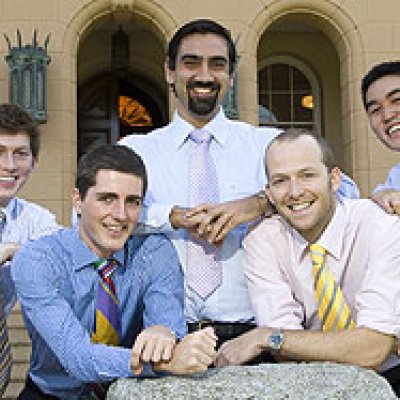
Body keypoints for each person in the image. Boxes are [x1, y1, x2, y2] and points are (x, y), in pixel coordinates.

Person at [120, 19, 358, 352]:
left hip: (259, 337)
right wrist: (170, 217)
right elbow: (88, 219)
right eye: (191, 63)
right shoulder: (135, 151)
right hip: (162, 337)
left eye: (217, 64)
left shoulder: (267, 144)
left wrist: (261, 203)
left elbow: (345, 191)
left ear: (231, 76)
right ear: (170, 72)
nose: (204, 75)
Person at [12, 144, 216, 399]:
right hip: (52, 394)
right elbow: (78, 358)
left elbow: (168, 321)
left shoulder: (153, 252)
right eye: (107, 199)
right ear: (77, 200)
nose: (120, 215)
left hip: (129, 389)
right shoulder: (37, 260)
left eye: (132, 202)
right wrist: (161, 362)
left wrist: (164, 332)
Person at [214, 128, 400, 396]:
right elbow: (285, 355)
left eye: (307, 175)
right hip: (309, 378)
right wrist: (283, 342)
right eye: (280, 181)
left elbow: (374, 348)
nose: (294, 192)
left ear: (334, 179)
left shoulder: (381, 228)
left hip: (391, 376)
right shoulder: (263, 240)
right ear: (269, 192)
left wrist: (268, 337)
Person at [0, 103, 60, 396]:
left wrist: (15, 250)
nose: (9, 165)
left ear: (34, 161)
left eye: (20, 154)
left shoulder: (36, 221)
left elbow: (62, 264)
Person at [362, 61, 400, 213]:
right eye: (376, 110)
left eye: (397, 100)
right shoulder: (395, 176)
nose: (387, 115)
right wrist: (382, 195)